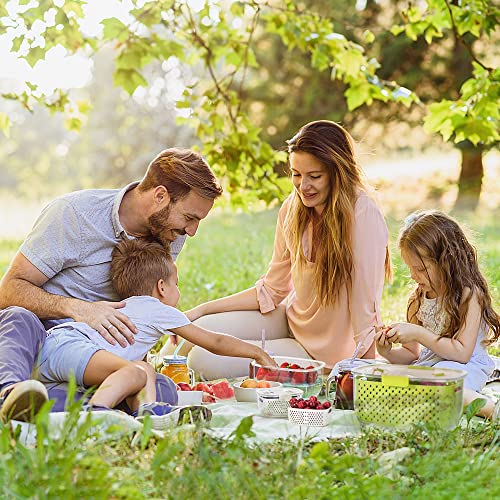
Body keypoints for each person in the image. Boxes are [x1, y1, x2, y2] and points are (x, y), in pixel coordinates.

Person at [0, 148, 222, 423]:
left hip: (94, 355)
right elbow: (8, 291)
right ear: (160, 196)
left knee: (161, 389)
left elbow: (145, 304)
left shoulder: (170, 233)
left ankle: (48, 407)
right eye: (190, 218)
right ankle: (8, 393)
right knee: (18, 319)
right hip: (41, 339)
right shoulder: (74, 215)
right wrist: (79, 309)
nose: (192, 231)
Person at [163, 120, 391, 379]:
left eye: (314, 176)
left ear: (337, 172)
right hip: (290, 321)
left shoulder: (363, 214)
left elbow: (365, 307)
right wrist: (201, 310)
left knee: (204, 362)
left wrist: (364, 376)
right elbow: (272, 290)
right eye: (296, 174)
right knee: (196, 329)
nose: (303, 186)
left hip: (323, 356)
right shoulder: (293, 209)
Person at [35, 239, 275, 425]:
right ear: (161, 287)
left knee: (145, 371)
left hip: (55, 349)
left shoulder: (131, 307)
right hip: (71, 345)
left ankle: (149, 414)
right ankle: (95, 417)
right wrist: (257, 353)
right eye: (176, 284)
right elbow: (215, 341)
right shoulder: (157, 309)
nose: (178, 291)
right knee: (136, 372)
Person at [375, 210, 499, 420]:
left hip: (465, 366)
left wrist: (418, 333)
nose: (414, 275)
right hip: (431, 366)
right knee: (381, 375)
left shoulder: (469, 296)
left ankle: (492, 410)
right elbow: (412, 355)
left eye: (421, 269)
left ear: (447, 261)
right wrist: (386, 352)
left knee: (441, 386)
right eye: (410, 268)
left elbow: (461, 354)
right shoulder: (418, 299)